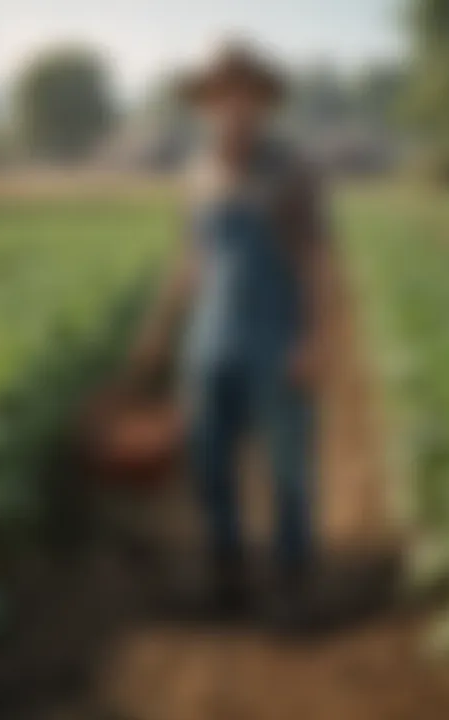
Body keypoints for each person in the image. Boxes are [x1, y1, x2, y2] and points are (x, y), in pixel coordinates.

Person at [131, 40, 336, 616]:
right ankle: (228, 572)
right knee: (208, 460)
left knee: (288, 462)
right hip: (209, 337)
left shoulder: (292, 170)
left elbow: (316, 261)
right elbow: (193, 259)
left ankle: (295, 578)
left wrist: (315, 339)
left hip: (275, 336)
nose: (232, 107)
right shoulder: (197, 173)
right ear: (206, 103)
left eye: (244, 95)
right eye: (221, 96)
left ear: (263, 101)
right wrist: (159, 328)